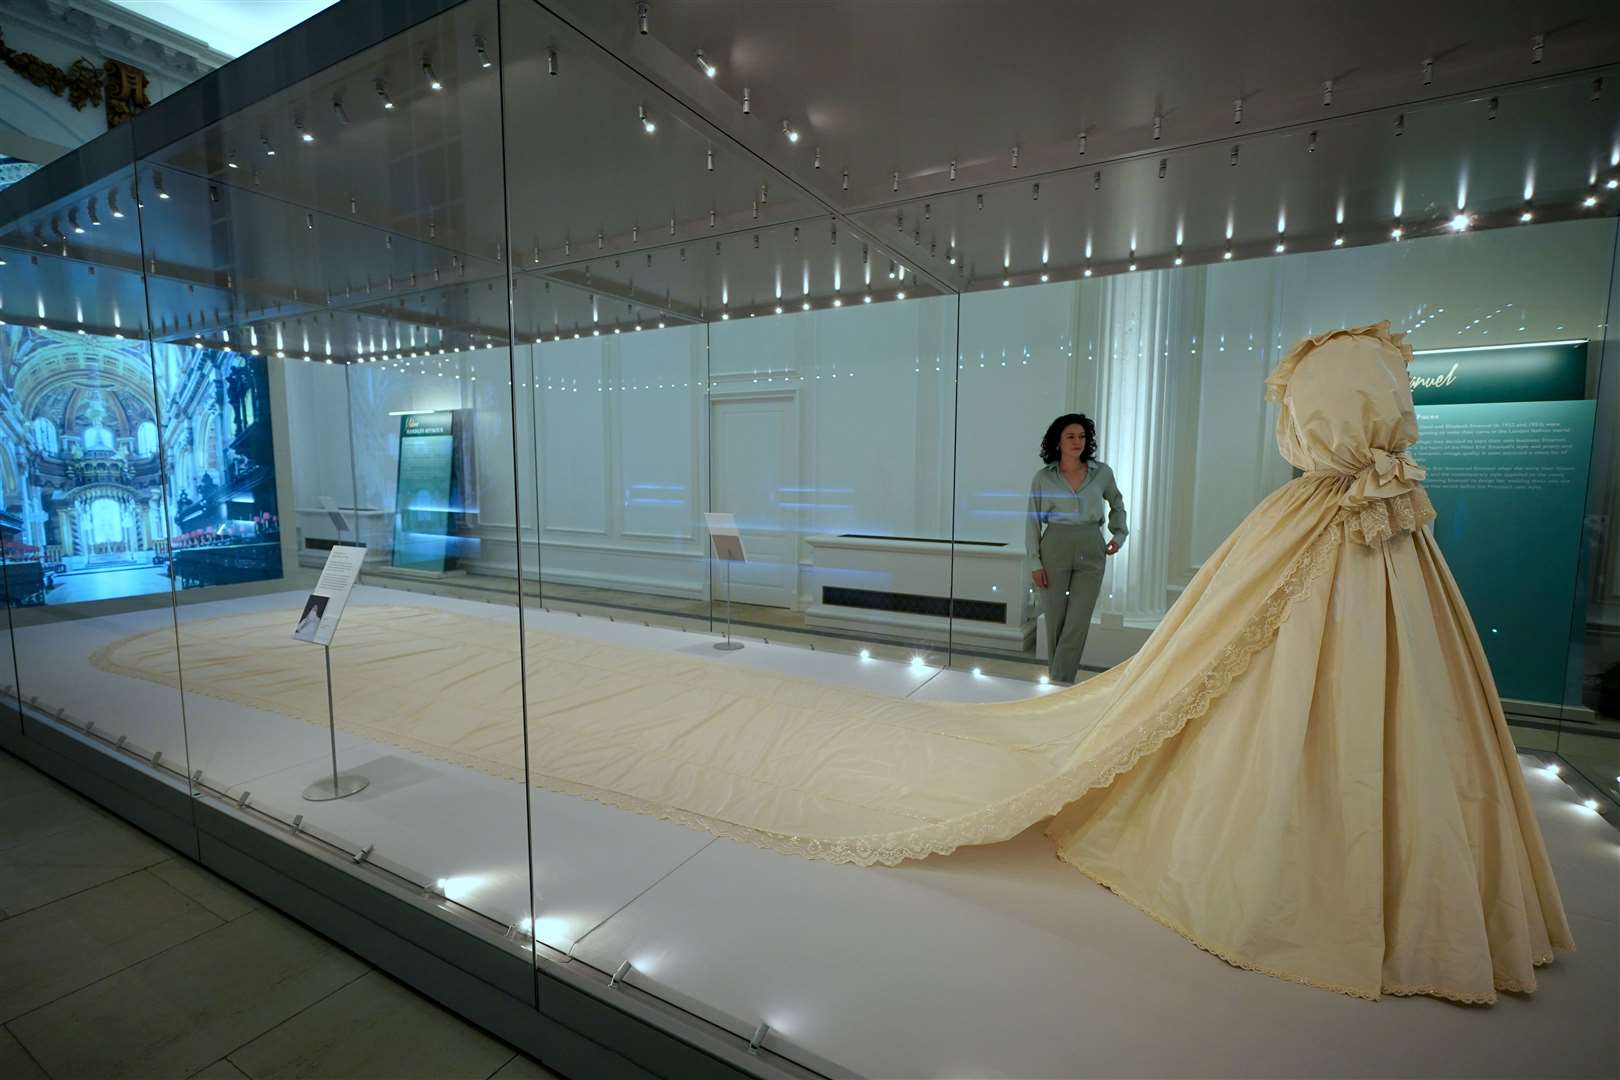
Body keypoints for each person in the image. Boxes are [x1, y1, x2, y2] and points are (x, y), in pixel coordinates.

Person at [1026, 413, 1127, 683]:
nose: (1077, 442)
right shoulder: (1043, 478)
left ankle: (1057, 683)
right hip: (1054, 546)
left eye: (1082, 436)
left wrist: (1119, 534)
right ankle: (1061, 684)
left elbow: (1117, 504)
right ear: (1057, 442)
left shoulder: (1102, 473)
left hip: (1091, 546)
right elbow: (1032, 521)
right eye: (1070, 436)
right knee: (1055, 621)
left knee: (1078, 621)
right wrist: (1034, 563)